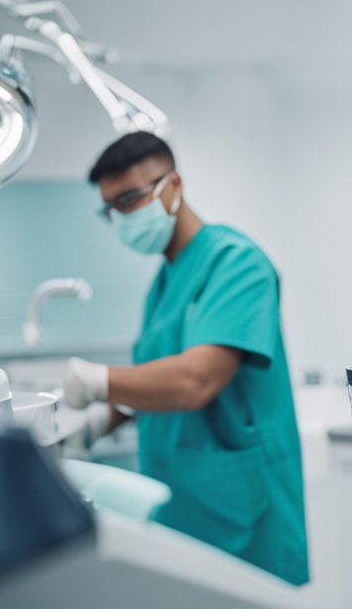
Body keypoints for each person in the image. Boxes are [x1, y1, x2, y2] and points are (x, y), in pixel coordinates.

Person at [62, 132, 309, 585]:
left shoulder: (237, 263)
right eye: (112, 208)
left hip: (239, 507)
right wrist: (102, 422)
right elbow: (156, 377)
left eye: (131, 199)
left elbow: (196, 380)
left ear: (173, 185)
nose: (123, 216)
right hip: (181, 497)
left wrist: (96, 381)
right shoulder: (164, 280)